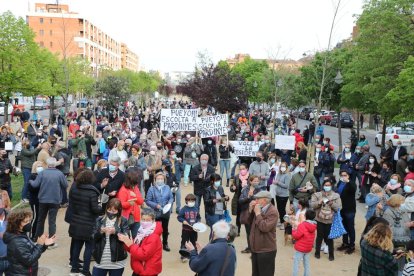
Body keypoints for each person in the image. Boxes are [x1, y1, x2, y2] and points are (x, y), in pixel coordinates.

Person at [69, 169, 102, 276]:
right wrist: (100, 206)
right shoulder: (92, 192)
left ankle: (74, 269)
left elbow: (72, 206)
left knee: (77, 246)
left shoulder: (74, 189)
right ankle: (85, 271)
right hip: (89, 223)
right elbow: (95, 209)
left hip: (76, 221)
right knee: (89, 248)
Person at [3, 209, 56, 275]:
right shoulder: (16, 242)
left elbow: (31, 251)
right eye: (25, 221)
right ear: (16, 224)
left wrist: (44, 245)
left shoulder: (21, 234)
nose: (29, 223)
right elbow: (29, 260)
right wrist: (39, 245)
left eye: (29, 221)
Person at [29, 157, 68, 243]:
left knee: (40, 220)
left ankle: (37, 238)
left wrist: (30, 181)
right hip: (55, 200)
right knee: (52, 221)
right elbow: (65, 185)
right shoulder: (59, 174)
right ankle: (51, 240)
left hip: (43, 200)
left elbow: (35, 185)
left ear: (47, 164)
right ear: (55, 164)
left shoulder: (42, 173)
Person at [118, 208, 162, 276]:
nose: (145, 222)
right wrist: (126, 242)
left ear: (153, 220)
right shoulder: (141, 231)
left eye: (148, 220)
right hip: (140, 269)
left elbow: (143, 255)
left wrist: (131, 245)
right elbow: (135, 249)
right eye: (143, 219)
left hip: (146, 272)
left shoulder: (153, 236)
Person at [92, 198, 129, 276]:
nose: (111, 212)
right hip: (100, 261)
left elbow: (127, 238)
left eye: (114, 211)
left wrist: (116, 232)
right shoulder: (99, 220)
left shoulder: (123, 221)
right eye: (109, 210)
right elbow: (93, 237)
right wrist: (101, 232)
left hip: (117, 262)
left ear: (118, 211)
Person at [248, 190, 279, 276]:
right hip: (256, 249)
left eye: (258, 199)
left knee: (266, 274)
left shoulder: (273, 211)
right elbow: (248, 222)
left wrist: (258, 213)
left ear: (265, 200)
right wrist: (250, 210)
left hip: (266, 250)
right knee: (255, 274)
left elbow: (264, 227)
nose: (255, 200)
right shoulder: (258, 208)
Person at [310, 179, 342, 261]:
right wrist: (319, 202)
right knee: (319, 236)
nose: (327, 187)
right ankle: (317, 252)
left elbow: (339, 207)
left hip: (330, 220)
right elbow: (312, 205)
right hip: (319, 219)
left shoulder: (336, 196)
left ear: (331, 186)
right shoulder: (317, 195)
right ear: (323, 186)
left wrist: (331, 203)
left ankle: (331, 254)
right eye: (325, 185)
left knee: (329, 238)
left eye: (329, 185)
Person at [145, 172, 173, 252]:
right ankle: (154, 244)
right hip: (155, 212)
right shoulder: (151, 189)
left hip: (165, 212)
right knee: (154, 229)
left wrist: (169, 203)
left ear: (164, 180)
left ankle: (165, 244)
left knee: (165, 228)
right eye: (158, 179)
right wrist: (155, 205)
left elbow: (171, 197)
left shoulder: (167, 187)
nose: (160, 180)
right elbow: (147, 201)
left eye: (161, 179)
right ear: (155, 180)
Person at [116, 167, 144, 238]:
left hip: (136, 218)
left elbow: (141, 201)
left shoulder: (135, 188)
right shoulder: (123, 190)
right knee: (126, 238)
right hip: (126, 218)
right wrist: (129, 203)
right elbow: (120, 204)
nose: (135, 186)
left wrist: (135, 196)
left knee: (136, 238)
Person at [239, 175, 261, 253]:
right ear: (250, 181)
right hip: (247, 213)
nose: (256, 182)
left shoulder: (260, 190)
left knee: (256, 231)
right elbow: (240, 201)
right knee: (248, 232)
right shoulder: (245, 189)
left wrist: (253, 197)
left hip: (256, 213)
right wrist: (248, 197)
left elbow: (261, 201)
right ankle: (250, 247)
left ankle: (256, 247)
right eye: (254, 181)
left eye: (257, 181)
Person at [336, 170, 357, 254]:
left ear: (348, 176)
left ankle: (352, 245)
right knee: (343, 227)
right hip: (342, 209)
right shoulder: (340, 183)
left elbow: (353, 189)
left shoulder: (351, 183)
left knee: (350, 227)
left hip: (350, 209)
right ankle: (345, 243)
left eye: (345, 175)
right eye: (342, 175)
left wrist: (348, 181)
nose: (343, 176)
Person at [291, 209, 317, 276]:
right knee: (306, 264)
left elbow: (296, 236)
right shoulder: (314, 226)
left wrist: (293, 229)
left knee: (296, 264)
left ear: (305, 216)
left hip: (300, 248)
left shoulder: (302, 225)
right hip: (308, 248)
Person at [177, 193, 201, 262]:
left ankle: (194, 254)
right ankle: (183, 255)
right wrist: (183, 220)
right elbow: (179, 217)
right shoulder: (184, 209)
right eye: (189, 201)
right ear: (186, 201)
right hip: (186, 230)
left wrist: (198, 221)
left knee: (194, 242)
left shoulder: (196, 209)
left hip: (194, 230)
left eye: (193, 201)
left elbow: (198, 217)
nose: (191, 202)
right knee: (184, 242)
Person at [20, 139, 41, 203]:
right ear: (24, 143)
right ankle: (23, 197)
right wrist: (37, 148)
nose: (29, 143)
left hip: (31, 168)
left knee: (30, 182)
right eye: (28, 142)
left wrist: (39, 148)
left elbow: (35, 152)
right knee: (26, 182)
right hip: (26, 168)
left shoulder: (30, 149)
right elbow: (30, 153)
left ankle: (28, 196)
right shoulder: (23, 150)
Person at [230, 163, 249, 236]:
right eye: (240, 169)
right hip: (238, 199)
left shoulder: (250, 177)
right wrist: (232, 188)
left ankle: (248, 230)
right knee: (238, 216)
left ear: (247, 169)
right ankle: (238, 231)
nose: (242, 170)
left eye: (243, 169)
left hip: (247, 199)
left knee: (247, 215)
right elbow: (232, 188)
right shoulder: (236, 177)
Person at [273, 162, 291, 230]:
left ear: (286, 168)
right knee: (279, 208)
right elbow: (276, 181)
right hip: (278, 194)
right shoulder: (279, 174)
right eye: (281, 166)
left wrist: (278, 182)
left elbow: (286, 186)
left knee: (282, 209)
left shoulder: (287, 175)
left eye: (284, 166)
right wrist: (275, 182)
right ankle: (281, 221)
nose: (282, 168)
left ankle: (284, 223)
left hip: (284, 195)